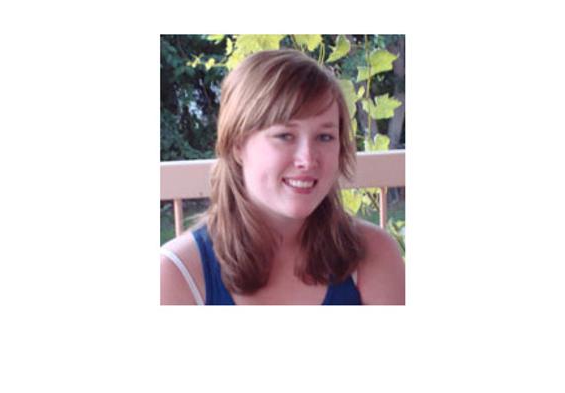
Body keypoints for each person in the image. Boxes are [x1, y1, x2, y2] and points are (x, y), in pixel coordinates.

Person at [160, 48, 405, 305]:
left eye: (325, 137)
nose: (307, 159)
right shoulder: (176, 275)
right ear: (237, 144)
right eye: (285, 136)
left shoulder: (375, 255)